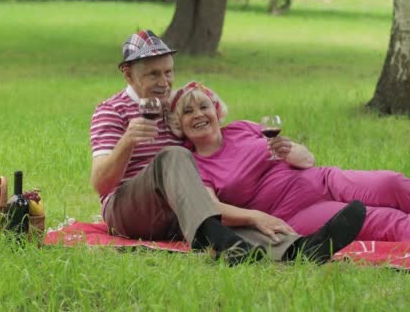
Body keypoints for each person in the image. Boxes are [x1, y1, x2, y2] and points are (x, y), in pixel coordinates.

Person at [89, 30, 367, 265]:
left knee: (229, 219)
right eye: (153, 75)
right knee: (174, 157)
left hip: (182, 210)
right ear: (128, 74)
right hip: (128, 210)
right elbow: (101, 184)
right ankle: (218, 238)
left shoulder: (177, 107)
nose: (164, 83)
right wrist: (127, 142)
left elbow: (214, 145)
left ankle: (301, 249)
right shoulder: (111, 111)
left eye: (169, 72)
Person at [167, 81, 410, 253]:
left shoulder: (244, 128)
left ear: (216, 110)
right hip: (296, 210)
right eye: (188, 111)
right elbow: (210, 208)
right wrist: (254, 219)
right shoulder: (193, 164)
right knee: (380, 219)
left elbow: (307, 159)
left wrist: (291, 151)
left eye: (204, 106)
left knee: (392, 183)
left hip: (319, 178)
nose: (198, 114)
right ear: (178, 126)